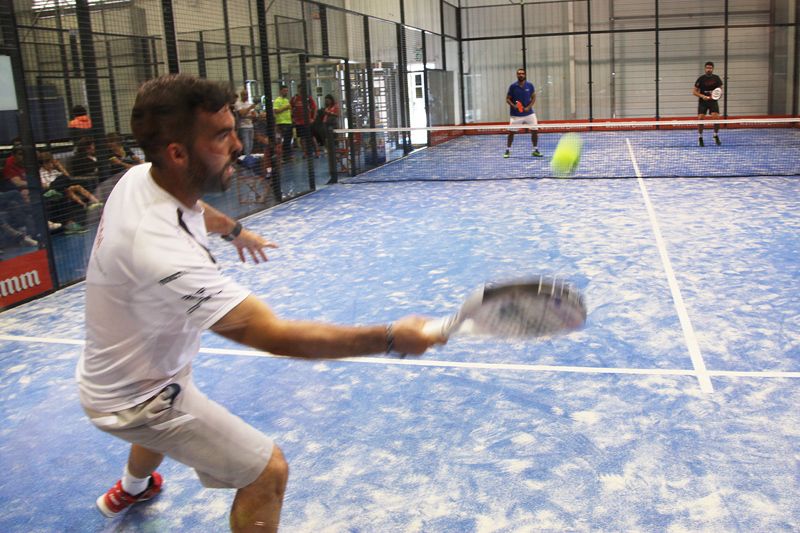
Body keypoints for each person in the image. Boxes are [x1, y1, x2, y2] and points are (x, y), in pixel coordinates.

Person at [77, 73, 442, 532]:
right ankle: (140, 482)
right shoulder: (160, 250)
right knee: (266, 472)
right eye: (221, 136)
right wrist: (389, 338)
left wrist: (234, 231)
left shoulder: (140, 178)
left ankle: (134, 488)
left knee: (170, 410)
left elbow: (194, 209)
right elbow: (272, 335)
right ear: (177, 153)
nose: (238, 146)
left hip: (136, 370)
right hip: (138, 398)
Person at [505, 68, 542, 158]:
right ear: (517, 75)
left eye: (522, 73)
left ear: (525, 75)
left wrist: (529, 107)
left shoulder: (530, 85)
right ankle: (508, 150)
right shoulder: (513, 86)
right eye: (519, 74)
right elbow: (507, 99)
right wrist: (514, 106)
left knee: (535, 131)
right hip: (516, 115)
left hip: (529, 113)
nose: (521, 75)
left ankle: (535, 150)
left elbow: (533, 97)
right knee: (511, 133)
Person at [693, 61, 724, 146]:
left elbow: (720, 91)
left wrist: (717, 96)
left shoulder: (716, 78)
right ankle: (700, 137)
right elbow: (694, 92)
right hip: (703, 101)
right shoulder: (701, 79)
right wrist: (702, 96)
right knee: (700, 119)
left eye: (710, 68)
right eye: (707, 68)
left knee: (716, 118)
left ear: (713, 69)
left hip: (713, 101)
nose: (708, 69)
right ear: (705, 69)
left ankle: (715, 135)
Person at [290, 85, 318, 158]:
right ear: (298, 89)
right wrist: (292, 118)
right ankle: (306, 153)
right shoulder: (294, 99)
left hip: (308, 122)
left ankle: (316, 152)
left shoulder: (308, 98)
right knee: (302, 139)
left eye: (303, 89)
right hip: (299, 123)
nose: (301, 90)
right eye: (300, 89)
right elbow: (290, 109)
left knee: (312, 137)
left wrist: (313, 118)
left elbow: (315, 108)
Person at [235, 88, 258, 156]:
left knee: (251, 144)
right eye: (244, 95)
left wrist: (247, 114)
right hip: (243, 127)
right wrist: (249, 108)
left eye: (247, 95)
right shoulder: (238, 104)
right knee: (246, 144)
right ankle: (246, 158)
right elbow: (241, 114)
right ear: (241, 95)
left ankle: (249, 157)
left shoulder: (248, 103)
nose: (246, 96)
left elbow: (254, 115)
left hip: (250, 126)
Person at [273, 85, 293, 162]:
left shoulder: (287, 100)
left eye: (287, 91)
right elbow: (276, 111)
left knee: (288, 140)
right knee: (283, 140)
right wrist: (285, 108)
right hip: (282, 122)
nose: (286, 92)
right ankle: (283, 156)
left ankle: (288, 156)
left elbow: (289, 109)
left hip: (289, 122)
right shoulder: (277, 100)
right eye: (284, 90)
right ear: (280, 91)